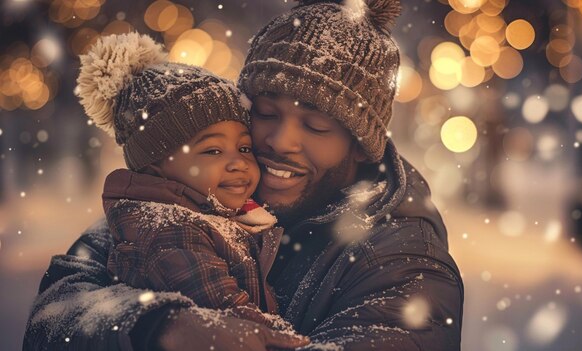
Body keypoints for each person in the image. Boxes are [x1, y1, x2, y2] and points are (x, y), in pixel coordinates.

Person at [24, 1, 464, 350]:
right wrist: (159, 326)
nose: (279, 140)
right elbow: (51, 317)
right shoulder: (183, 196)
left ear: (360, 147)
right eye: (265, 112)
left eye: (316, 126)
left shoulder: (406, 265)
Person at [73, 31, 304, 339]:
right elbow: (236, 326)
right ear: (156, 168)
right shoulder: (169, 232)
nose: (238, 163)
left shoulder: (216, 213)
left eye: (245, 148)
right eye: (213, 151)